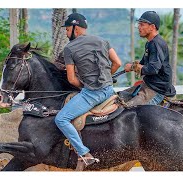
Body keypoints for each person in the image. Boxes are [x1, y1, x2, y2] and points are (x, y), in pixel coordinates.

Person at [55, 13, 122, 170]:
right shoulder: (102, 41)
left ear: (75, 29)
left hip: (92, 94)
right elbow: (117, 63)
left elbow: (71, 80)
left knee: (61, 119)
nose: (66, 33)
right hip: (109, 90)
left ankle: (84, 153)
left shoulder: (69, 49)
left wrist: (85, 85)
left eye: (67, 29)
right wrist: (106, 77)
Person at [123, 11, 176, 107]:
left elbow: (153, 68)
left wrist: (132, 67)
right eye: (139, 24)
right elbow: (143, 63)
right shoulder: (150, 43)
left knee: (128, 110)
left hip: (156, 89)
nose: (139, 27)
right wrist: (132, 67)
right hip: (149, 85)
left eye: (142, 25)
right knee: (119, 98)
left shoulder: (156, 43)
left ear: (152, 27)